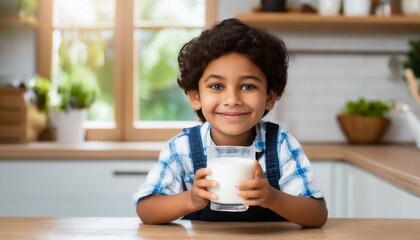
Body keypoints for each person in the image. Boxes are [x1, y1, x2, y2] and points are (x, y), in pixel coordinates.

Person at [134, 18, 328, 227]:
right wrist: (190, 199)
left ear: (269, 97)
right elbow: (146, 210)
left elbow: (317, 214)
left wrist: (272, 198)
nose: (232, 100)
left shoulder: (280, 144)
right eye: (217, 86)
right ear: (195, 97)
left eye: (247, 87)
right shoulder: (181, 148)